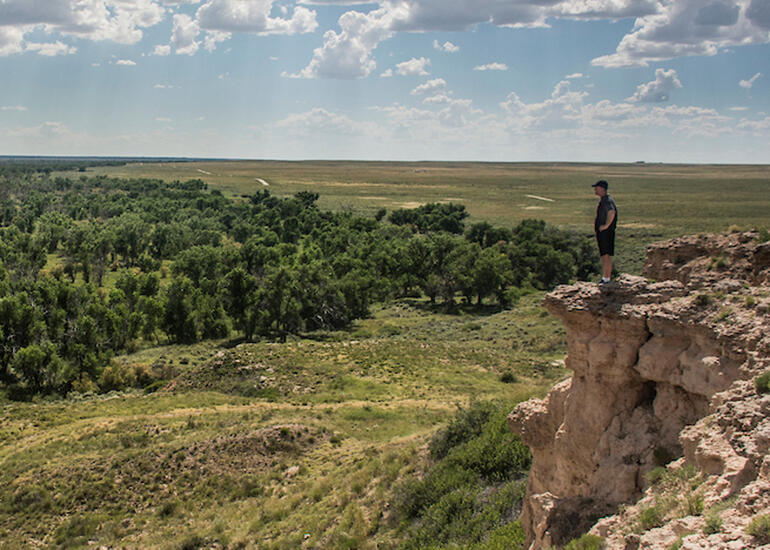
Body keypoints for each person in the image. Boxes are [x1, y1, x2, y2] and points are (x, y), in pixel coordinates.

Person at [592, 179, 617, 284]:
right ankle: (606, 277)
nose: (595, 190)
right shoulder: (604, 200)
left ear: (602, 189)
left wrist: (606, 226)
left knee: (606, 255)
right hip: (604, 232)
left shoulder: (607, 200)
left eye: (597, 188)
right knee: (604, 255)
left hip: (606, 233)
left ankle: (606, 278)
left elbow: (612, 212)